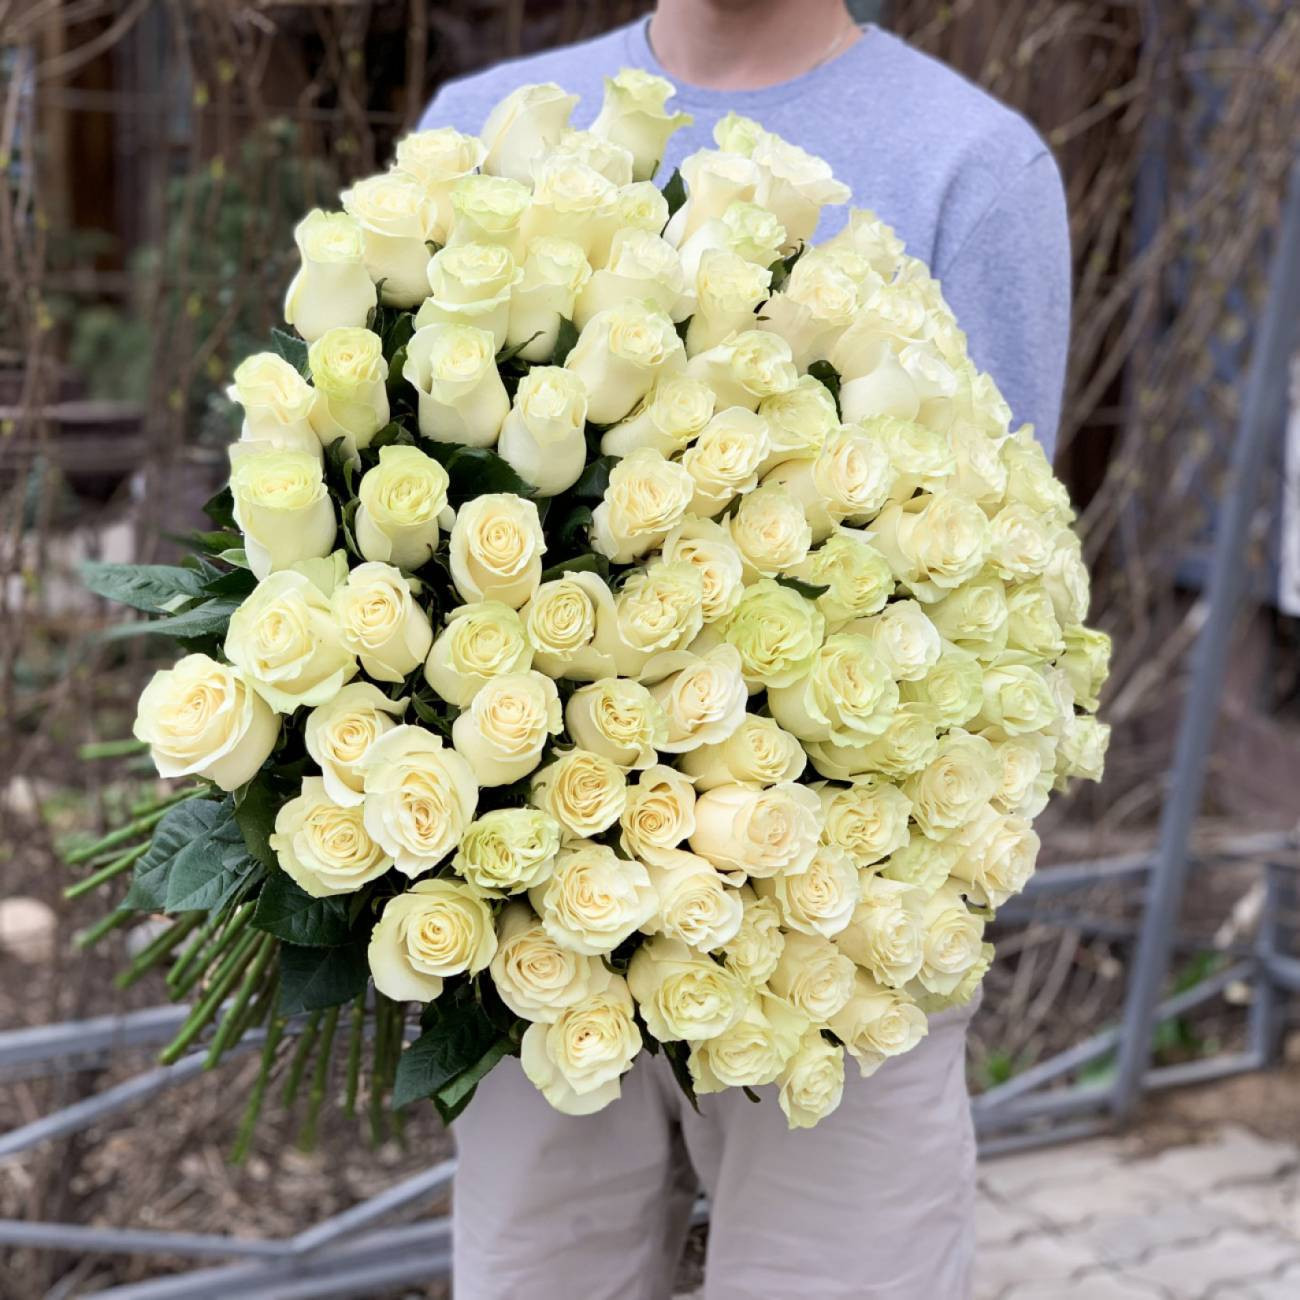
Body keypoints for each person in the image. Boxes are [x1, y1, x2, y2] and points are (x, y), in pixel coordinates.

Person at [419, 3, 1071, 1296]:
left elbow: (1001, 604)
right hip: (536, 921)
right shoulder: (479, 133)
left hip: (833, 936)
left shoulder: (969, 166)